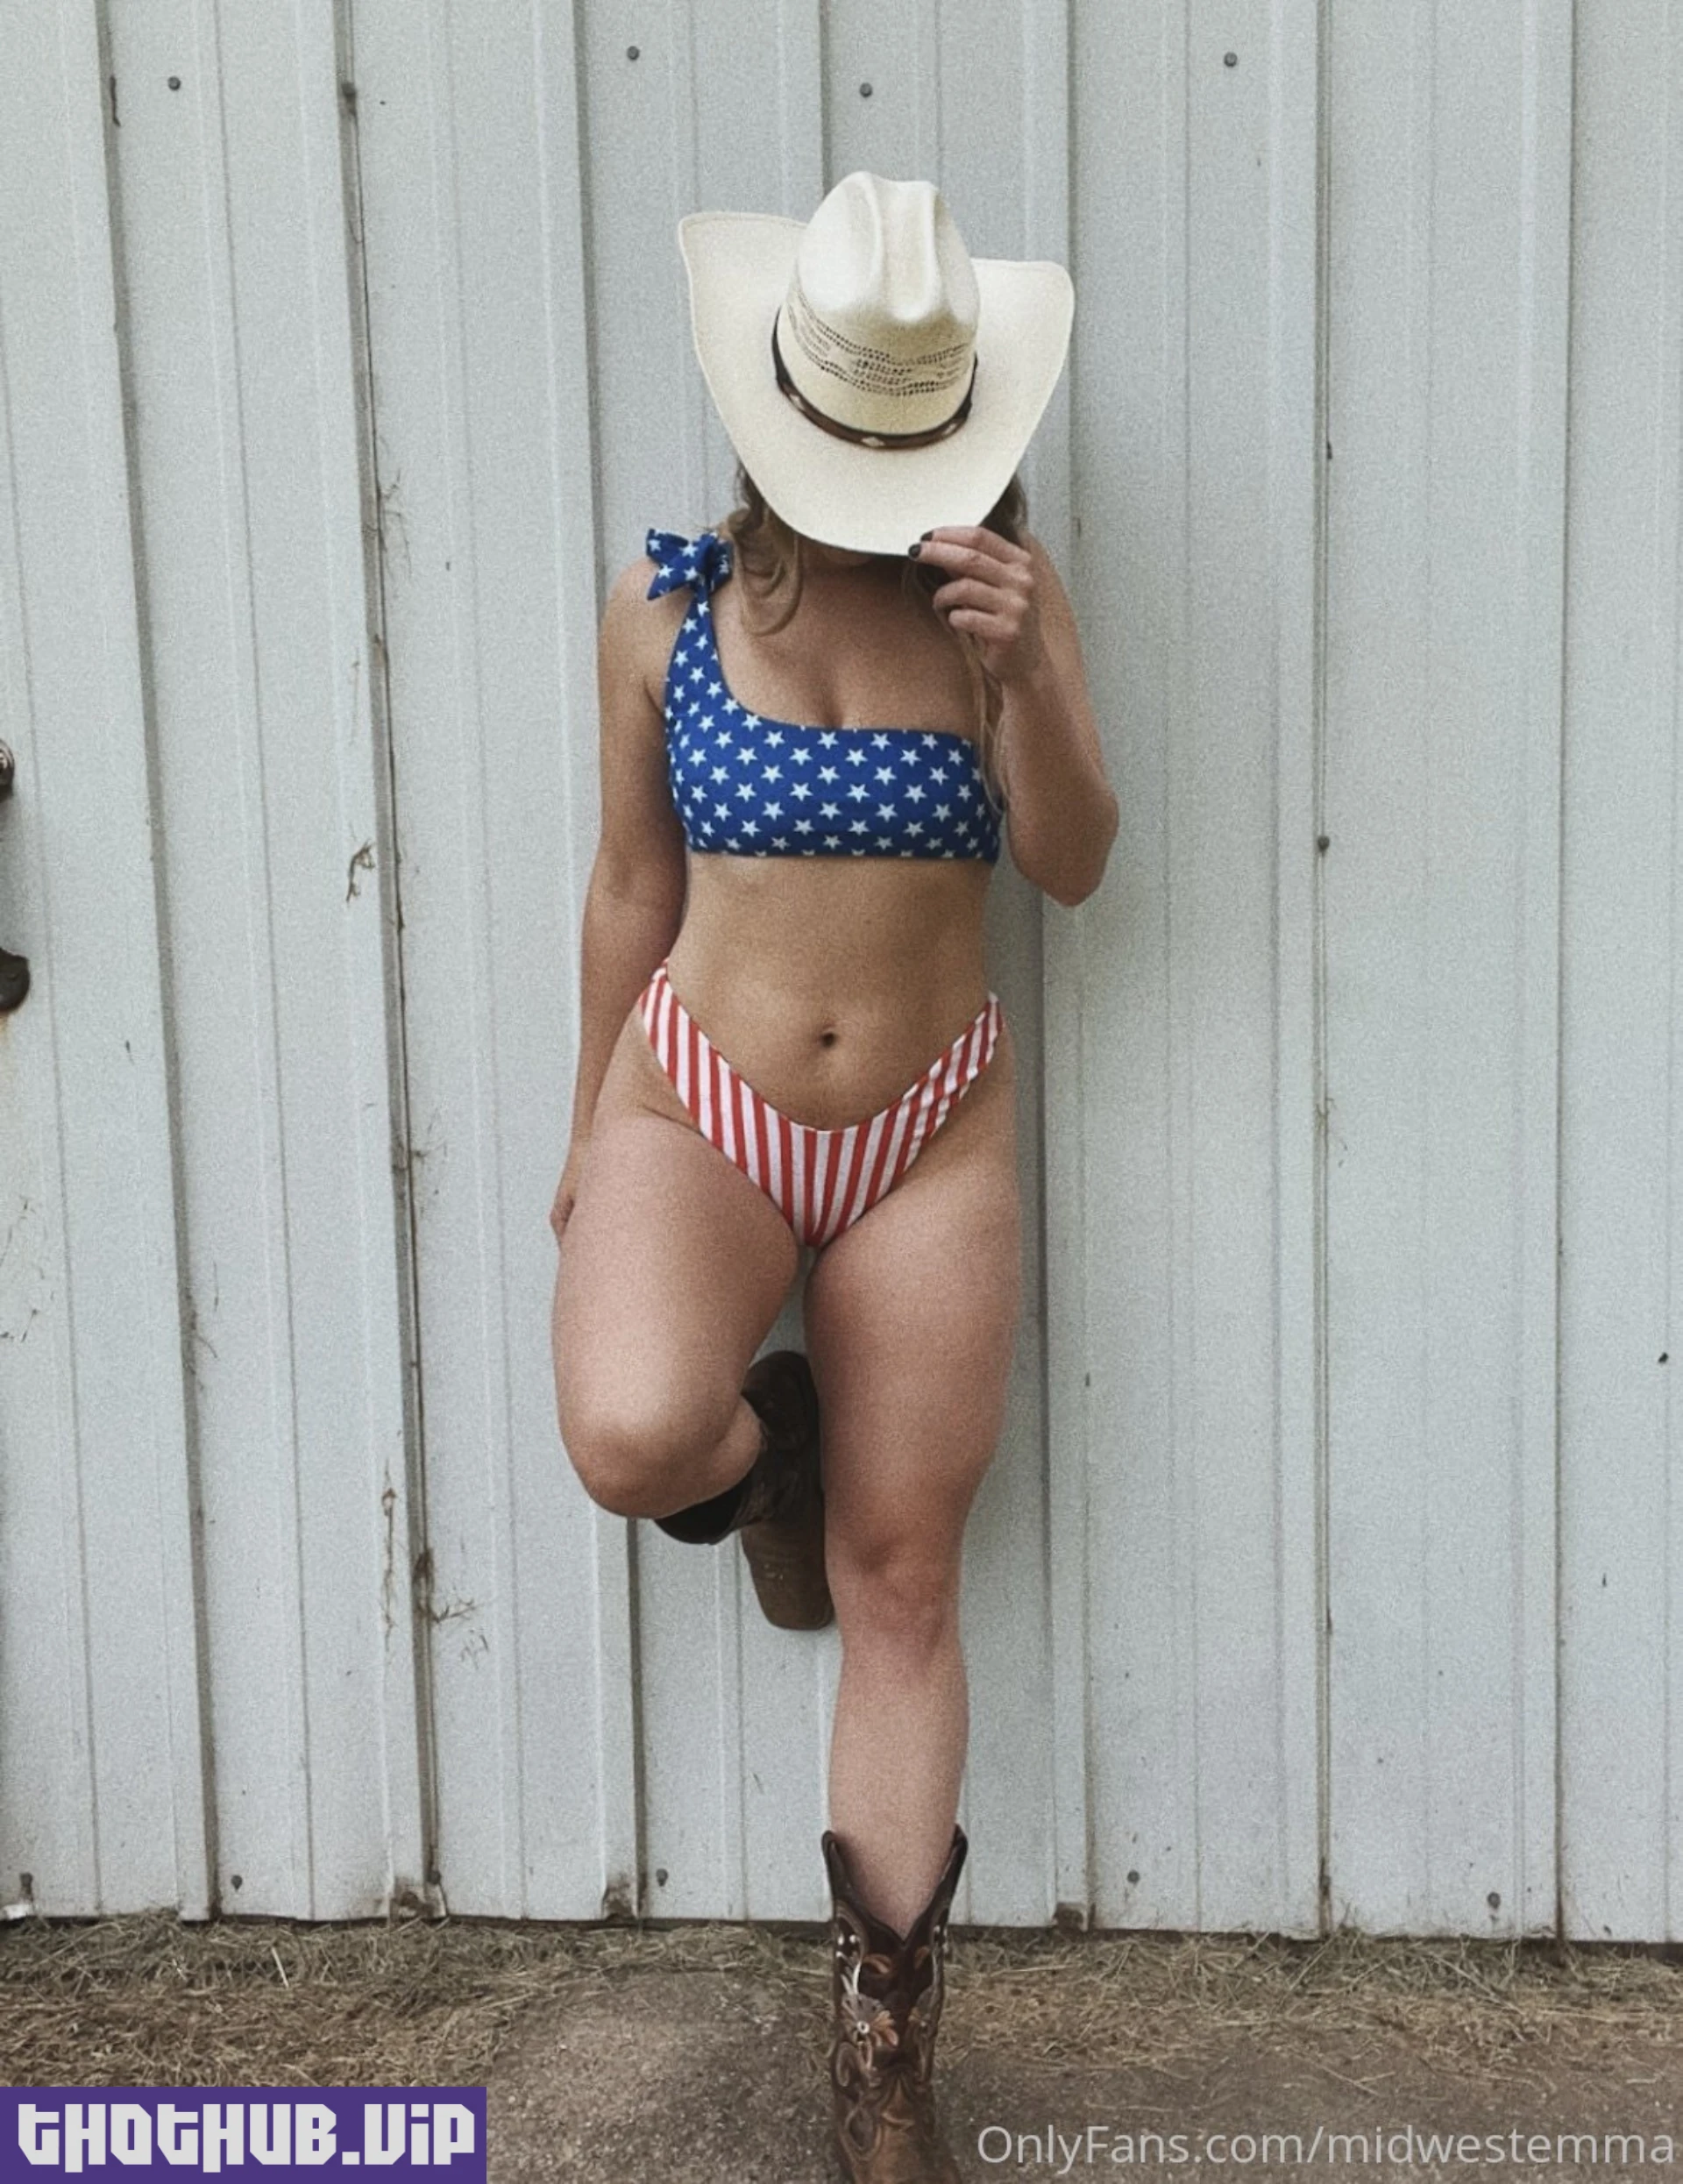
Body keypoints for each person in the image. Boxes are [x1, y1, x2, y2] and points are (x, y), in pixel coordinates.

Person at [550, 170, 1117, 2184]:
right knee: (631, 1431)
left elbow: (1073, 863)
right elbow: (632, 886)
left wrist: (1033, 677)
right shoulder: (666, 611)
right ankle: (760, 1457)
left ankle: (886, 2061)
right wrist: (583, 1127)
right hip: (695, 1103)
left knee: (901, 1582)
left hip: (927, 1132)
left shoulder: (999, 611)